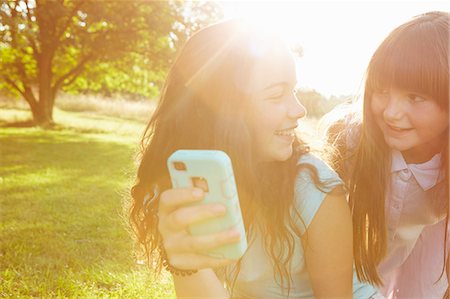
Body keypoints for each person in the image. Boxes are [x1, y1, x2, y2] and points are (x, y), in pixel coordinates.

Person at [128, 19, 377, 298]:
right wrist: (185, 264)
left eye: (293, 90)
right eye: (276, 95)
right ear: (222, 112)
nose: (299, 110)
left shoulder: (315, 189)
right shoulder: (189, 183)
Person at [324, 11, 449, 298]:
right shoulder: (350, 139)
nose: (391, 113)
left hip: (430, 236)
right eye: (381, 91)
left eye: (415, 97)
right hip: (355, 242)